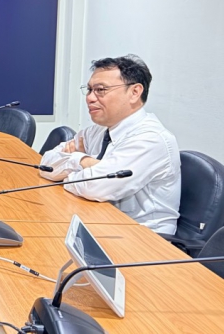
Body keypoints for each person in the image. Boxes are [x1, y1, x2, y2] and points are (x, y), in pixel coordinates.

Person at [41, 55, 180, 234]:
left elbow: (95, 187)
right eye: (89, 90)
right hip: (97, 220)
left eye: (100, 90)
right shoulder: (98, 130)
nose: (90, 98)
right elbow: (45, 165)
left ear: (135, 92)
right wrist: (83, 161)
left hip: (141, 237)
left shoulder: (151, 139)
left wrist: (65, 172)